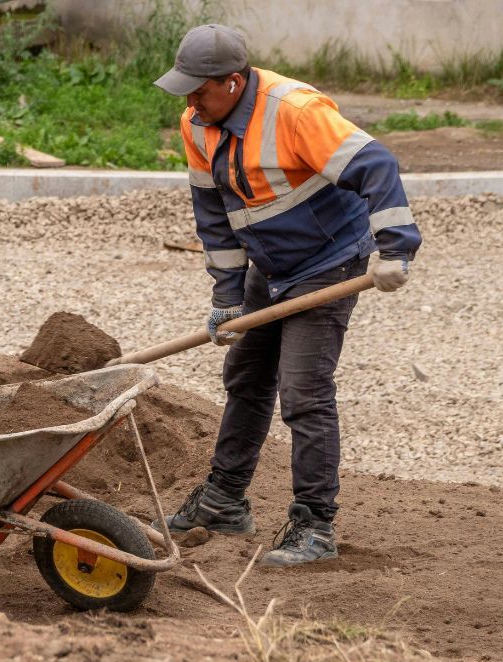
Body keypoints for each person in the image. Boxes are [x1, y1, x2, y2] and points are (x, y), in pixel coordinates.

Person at [153, 25, 422, 566]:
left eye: (199, 90)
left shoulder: (294, 111)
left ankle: (314, 526)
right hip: (270, 266)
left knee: (304, 392)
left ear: (232, 83)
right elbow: (213, 218)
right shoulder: (197, 123)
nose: (189, 102)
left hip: (329, 264)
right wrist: (227, 299)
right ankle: (224, 500)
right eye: (184, 90)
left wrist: (397, 250)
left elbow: (377, 166)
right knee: (247, 377)